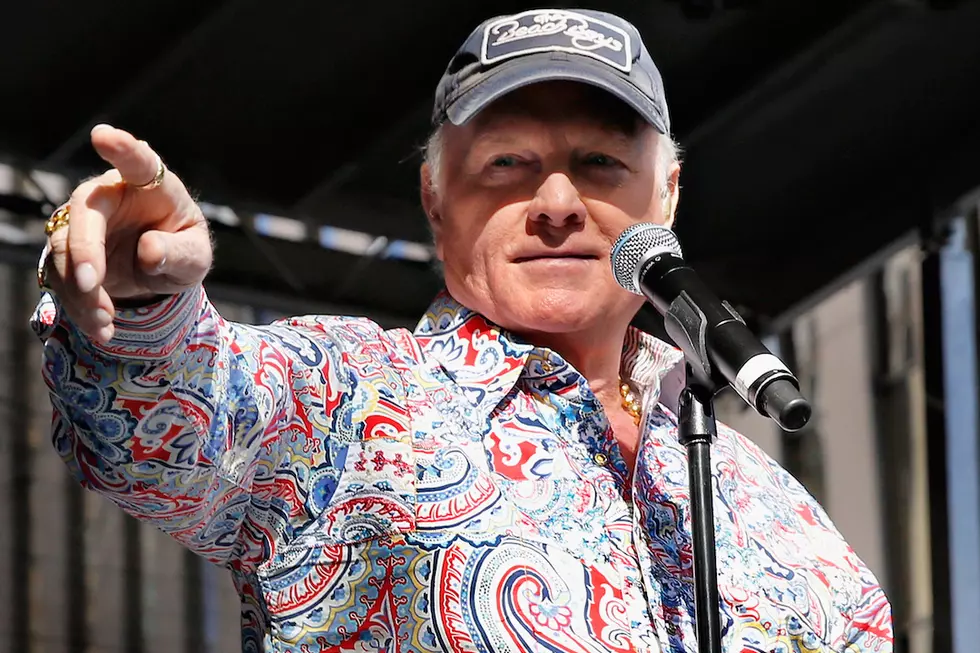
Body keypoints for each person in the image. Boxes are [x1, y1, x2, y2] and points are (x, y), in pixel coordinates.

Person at [33, 8, 892, 653]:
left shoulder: (775, 512)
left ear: (664, 197)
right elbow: (170, 423)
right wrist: (143, 301)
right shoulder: (350, 402)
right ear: (436, 200)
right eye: (507, 162)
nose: (557, 202)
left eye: (600, 162)